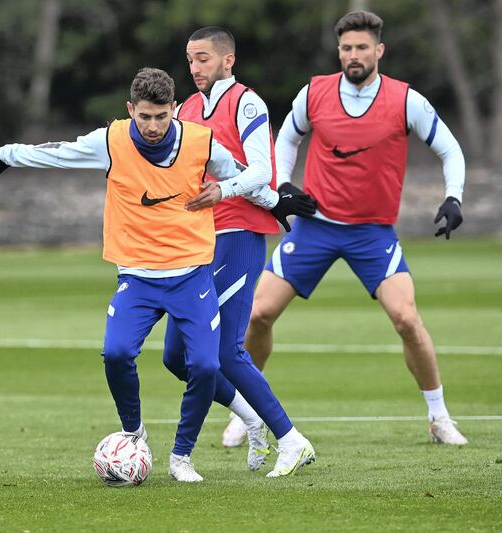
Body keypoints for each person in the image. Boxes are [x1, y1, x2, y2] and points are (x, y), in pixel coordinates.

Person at [0, 67, 279, 482]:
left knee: (206, 367)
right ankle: (134, 433)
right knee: (116, 354)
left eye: (161, 116)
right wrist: (7, 154)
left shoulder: (200, 141)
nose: (153, 126)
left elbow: (240, 177)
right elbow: (58, 152)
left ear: (174, 109)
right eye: (144, 117)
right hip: (137, 277)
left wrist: (276, 202)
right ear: (129, 110)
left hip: (191, 275)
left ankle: (181, 458)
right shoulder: (110, 141)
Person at [243, 10, 468, 445]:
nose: (353, 55)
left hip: (372, 233)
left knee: (406, 318)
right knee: (258, 313)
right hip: (314, 228)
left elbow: (450, 150)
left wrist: (454, 197)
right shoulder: (315, 93)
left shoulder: (406, 100)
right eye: (346, 48)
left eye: (362, 47)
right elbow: (285, 139)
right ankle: (248, 410)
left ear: (378, 50)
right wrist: (283, 184)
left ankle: (439, 417)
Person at [160, 26, 317, 478]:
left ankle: (291, 440)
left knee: (227, 349)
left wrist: (222, 192)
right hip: (197, 243)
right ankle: (251, 417)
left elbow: (261, 172)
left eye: (203, 58)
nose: (194, 68)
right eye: (190, 59)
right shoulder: (187, 108)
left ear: (228, 60)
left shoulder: (247, 101)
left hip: (241, 234)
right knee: (175, 356)